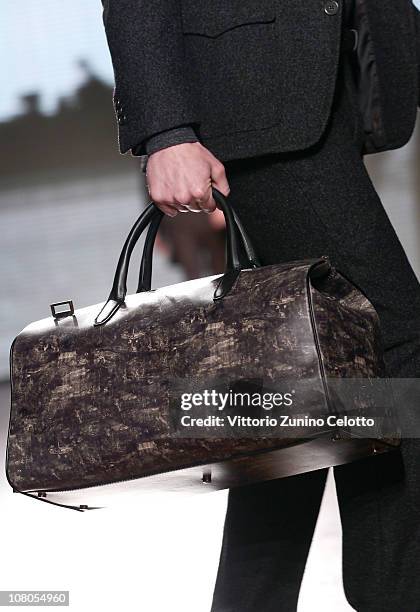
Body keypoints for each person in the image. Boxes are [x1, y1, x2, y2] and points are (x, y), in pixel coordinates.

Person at [100, 1, 420, 610]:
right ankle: (397, 591)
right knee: (389, 343)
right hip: (253, 104)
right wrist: (166, 132)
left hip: (322, 89)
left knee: (299, 383)